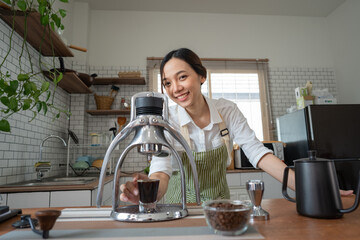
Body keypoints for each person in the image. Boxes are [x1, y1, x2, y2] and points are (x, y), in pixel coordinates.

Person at [120, 48, 353, 204]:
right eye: (167, 83)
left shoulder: (226, 110)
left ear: (201, 76)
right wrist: (147, 191)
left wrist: (311, 189)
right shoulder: (166, 118)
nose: (175, 89)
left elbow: (258, 154)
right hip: (177, 208)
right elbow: (162, 170)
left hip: (222, 208)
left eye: (182, 77)